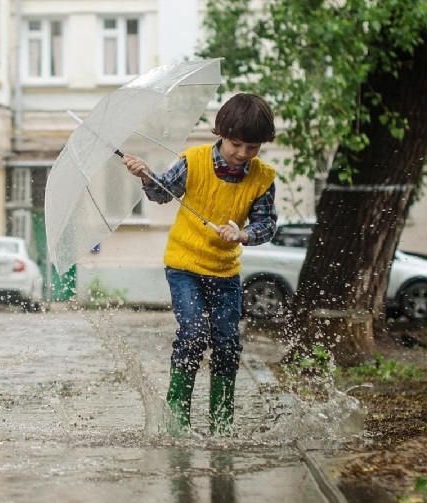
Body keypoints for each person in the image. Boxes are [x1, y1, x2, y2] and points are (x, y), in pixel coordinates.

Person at [122, 93, 278, 437]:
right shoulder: (193, 161)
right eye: (236, 144)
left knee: (227, 343)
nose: (242, 154)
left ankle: (222, 425)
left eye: (252, 147)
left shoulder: (263, 178)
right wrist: (146, 175)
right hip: (184, 267)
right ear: (221, 133)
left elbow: (266, 225)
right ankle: (177, 423)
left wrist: (244, 234)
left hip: (225, 272)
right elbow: (162, 193)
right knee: (192, 335)